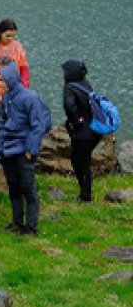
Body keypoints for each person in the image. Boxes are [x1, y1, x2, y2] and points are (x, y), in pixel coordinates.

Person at [0, 62, 52, 236]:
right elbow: (3, 120)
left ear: (11, 79)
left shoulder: (30, 98)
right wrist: (0, 142)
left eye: (3, 80)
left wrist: (30, 148)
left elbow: (38, 125)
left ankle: (31, 227)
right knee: (13, 186)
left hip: (23, 149)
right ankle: (17, 222)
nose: (1, 83)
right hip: (8, 149)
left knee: (28, 188)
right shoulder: (6, 97)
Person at [62, 59, 100, 203]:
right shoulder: (86, 85)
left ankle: (85, 196)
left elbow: (69, 106)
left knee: (80, 163)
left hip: (83, 133)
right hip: (94, 131)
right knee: (82, 161)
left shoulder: (69, 88)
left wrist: (75, 121)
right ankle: (85, 193)